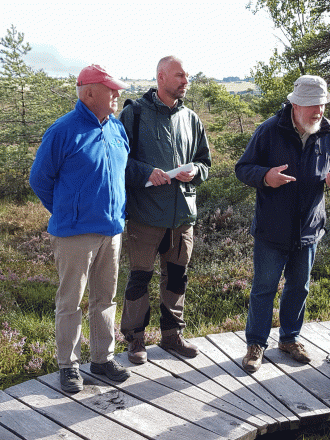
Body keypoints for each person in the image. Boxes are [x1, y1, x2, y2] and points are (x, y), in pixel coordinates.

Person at [29, 64, 131, 392]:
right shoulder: (63, 130)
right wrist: (66, 211)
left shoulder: (116, 128)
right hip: (74, 234)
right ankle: (69, 366)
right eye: (111, 89)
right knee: (70, 302)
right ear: (89, 93)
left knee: (105, 299)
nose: (117, 94)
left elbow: (120, 173)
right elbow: (39, 179)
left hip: (112, 230)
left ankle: (102, 359)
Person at [235, 75, 330, 373]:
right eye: (312, 105)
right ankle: (256, 344)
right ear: (295, 104)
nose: (318, 111)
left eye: (322, 104)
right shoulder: (269, 131)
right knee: (264, 288)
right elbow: (243, 168)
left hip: (309, 229)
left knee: (299, 287)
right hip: (272, 229)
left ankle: (289, 338)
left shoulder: (327, 130)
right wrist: (265, 177)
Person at [118, 56, 211, 364]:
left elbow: (205, 163)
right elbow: (119, 161)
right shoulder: (134, 114)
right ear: (160, 77)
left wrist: (195, 171)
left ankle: (172, 337)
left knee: (176, 278)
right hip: (146, 217)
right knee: (139, 279)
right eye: (180, 76)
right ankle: (135, 340)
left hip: (182, 217)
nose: (186, 81)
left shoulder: (192, 119)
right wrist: (146, 172)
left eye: (186, 77)